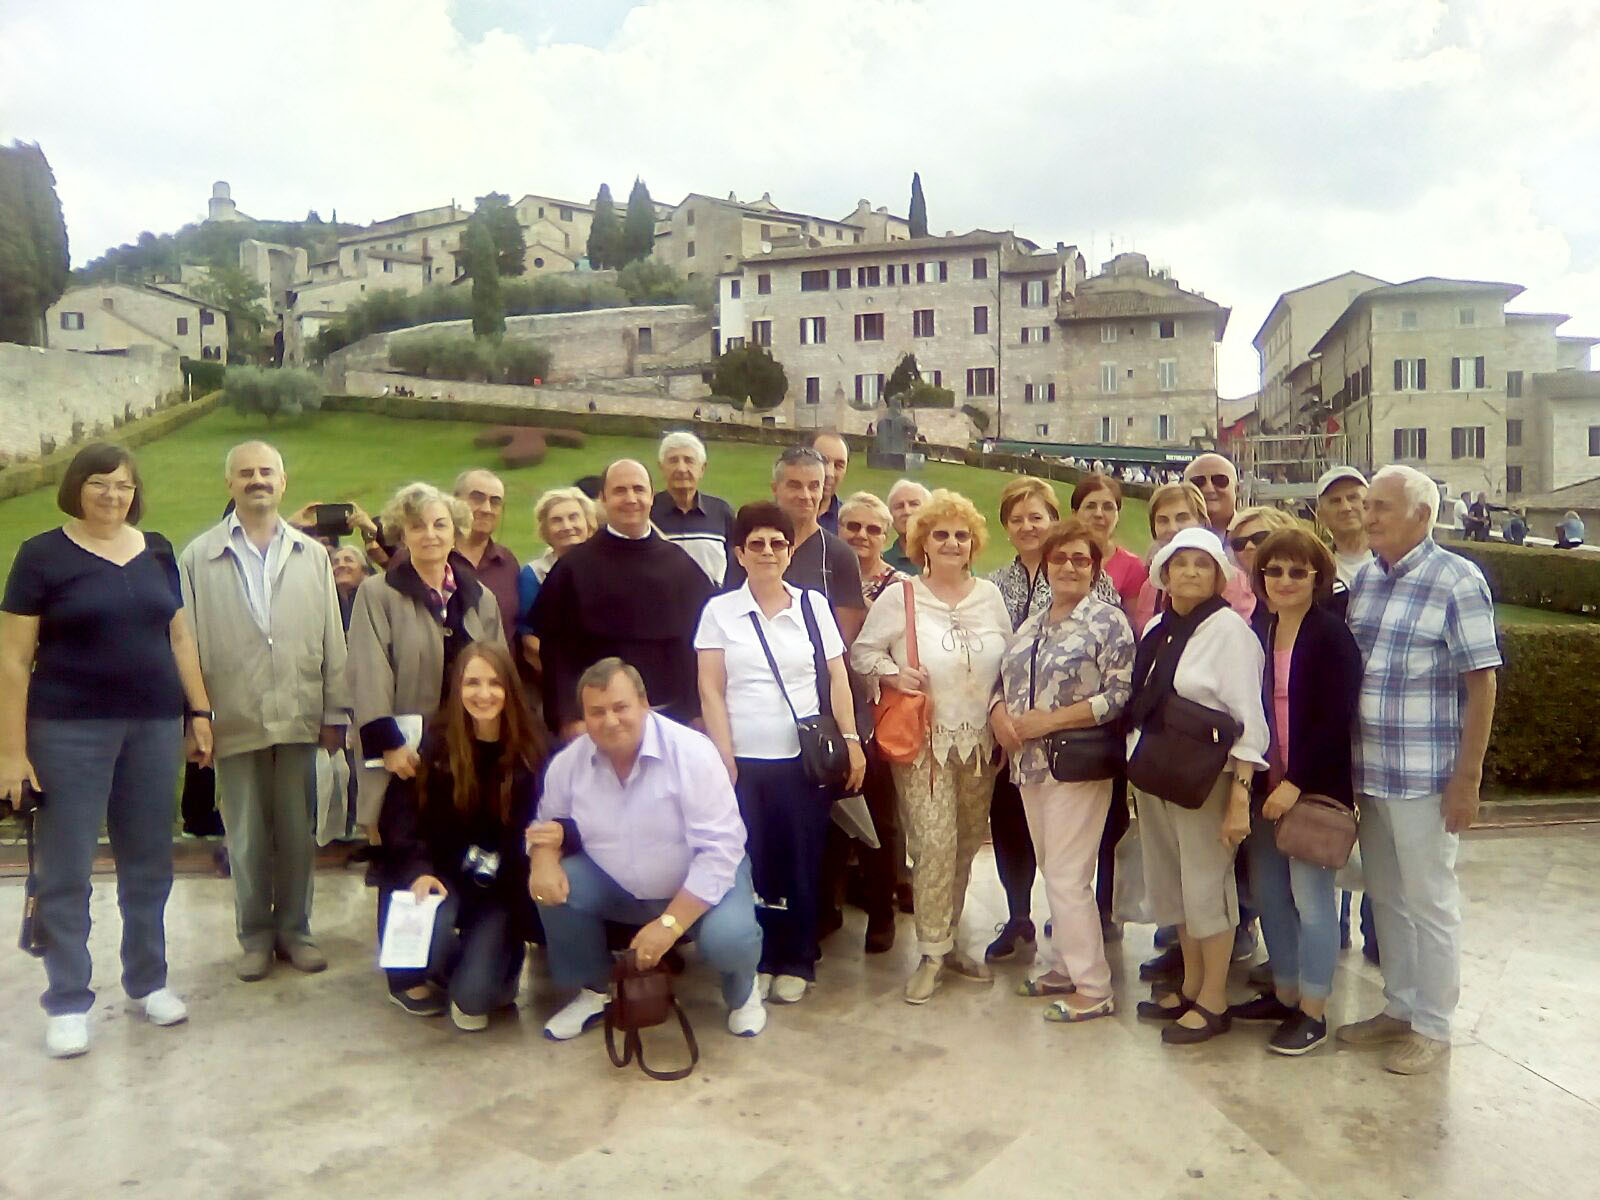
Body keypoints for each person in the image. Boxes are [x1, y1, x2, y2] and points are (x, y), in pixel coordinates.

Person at [0, 444, 214, 1058]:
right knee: (65, 869)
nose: (112, 495)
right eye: (99, 484)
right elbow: (14, 660)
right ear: (76, 488)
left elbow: (178, 635)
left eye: (122, 485)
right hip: (67, 731)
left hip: (150, 727)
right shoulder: (41, 556)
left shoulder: (158, 551)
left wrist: (199, 710)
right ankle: (68, 999)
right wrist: (12, 754)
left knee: (149, 861)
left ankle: (148, 983)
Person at [1338, 465, 1500, 1075]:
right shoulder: (1369, 581)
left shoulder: (1458, 580)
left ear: (1422, 515)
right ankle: (1399, 1007)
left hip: (1426, 774)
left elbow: (1481, 683)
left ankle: (1433, 1026)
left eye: (1381, 506)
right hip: (1371, 769)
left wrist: (1468, 777)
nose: (1368, 515)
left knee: (1430, 899)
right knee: (1387, 896)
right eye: (1367, 505)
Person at [178, 441, 349, 981]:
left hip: (299, 710)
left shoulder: (313, 554)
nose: (257, 480)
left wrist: (334, 712)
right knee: (247, 833)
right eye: (245, 473)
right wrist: (196, 715)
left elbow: (332, 637)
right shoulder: (198, 557)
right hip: (234, 715)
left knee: (298, 830)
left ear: (283, 481)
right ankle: (253, 935)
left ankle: (296, 930)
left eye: (266, 472)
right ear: (229, 483)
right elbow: (185, 645)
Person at [530, 659, 767, 1040]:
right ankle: (595, 990)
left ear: (644, 703)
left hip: (700, 881)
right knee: (557, 888)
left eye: (620, 707)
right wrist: (541, 860)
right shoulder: (568, 763)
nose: (610, 721)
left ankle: (743, 993)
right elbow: (548, 822)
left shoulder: (693, 753)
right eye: (597, 712)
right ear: (584, 717)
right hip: (618, 884)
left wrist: (670, 924)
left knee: (731, 938)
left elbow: (720, 851)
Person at [696, 503, 866, 1003]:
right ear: (739, 553)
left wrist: (853, 741)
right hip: (743, 760)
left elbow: (836, 678)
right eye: (757, 544)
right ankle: (761, 956)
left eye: (777, 543)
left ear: (790, 551)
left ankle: (798, 957)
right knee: (754, 859)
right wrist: (723, 756)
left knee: (801, 857)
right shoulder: (719, 612)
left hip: (801, 758)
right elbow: (710, 688)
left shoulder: (812, 605)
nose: (768, 552)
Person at [852, 490, 1012, 1003]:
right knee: (933, 843)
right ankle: (929, 952)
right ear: (922, 541)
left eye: (960, 535)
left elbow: (1010, 664)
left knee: (966, 842)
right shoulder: (901, 596)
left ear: (973, 544)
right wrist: (894, 674)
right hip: (925, 744)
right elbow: (861, 654)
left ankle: (951, 941)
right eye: (940, 534)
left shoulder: (989, 596)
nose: (951, 542)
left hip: (979, 743)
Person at [1128, 527, 1268, 1045]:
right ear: (1165, 574)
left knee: (1208, 887)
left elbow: (1248, 717)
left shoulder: (1230, 633)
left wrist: (1239, 798)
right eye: (1180, 563)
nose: (1190, 572)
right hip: (1157, 772)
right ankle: (1190, 983)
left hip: (1206, 779)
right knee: (1175, 884)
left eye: (1201, 564)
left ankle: (1213, 998)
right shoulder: (1160, 628)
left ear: (1218, 576)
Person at [992, 518, 1134, 1022]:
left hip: (1077, 764)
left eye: (1081, 559)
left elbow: (1118, 696)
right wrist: (1001, 718)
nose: (1069, 567)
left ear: (1095, 568)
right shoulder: (1032, 622)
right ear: (1047, 564)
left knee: (1070, 876)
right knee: (1054, 871)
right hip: (1028, 766)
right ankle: (1059, 966)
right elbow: (1003, 679)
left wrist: (1047, 721)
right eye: (1060, 558)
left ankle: (1093, 985)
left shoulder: (1108, 621)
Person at [1226, 528, 1361, 1056]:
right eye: (1273, 571)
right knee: (1270, 895)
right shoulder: (1260, 629)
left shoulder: (1331, 636)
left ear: (1316, 577)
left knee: (1311, 898)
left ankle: (1313, 1010)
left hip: (1311, 789)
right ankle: (1284, 992)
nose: (1283, 581)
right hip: (1263, 786)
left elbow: (1334, 719)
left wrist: (1296, 783)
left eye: (1296, 572)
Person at [379, 642, 544, 1030]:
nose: (483, 694)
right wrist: (418, 871)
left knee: (472, 1008)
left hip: (499, 894)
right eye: (472, 683)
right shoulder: (432, 744)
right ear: (457, 689)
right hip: (443, 879)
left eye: (494, 683)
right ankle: (441, 964)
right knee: (430, 932)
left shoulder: (535, 749)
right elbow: (400, 820)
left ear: (510, 689)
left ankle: (493, 965)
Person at [348, 482, 506, 837]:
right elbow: (368, 671)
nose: (430, 534)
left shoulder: (481, 598)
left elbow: (499, 674)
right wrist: (388, 742)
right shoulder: (378, 594)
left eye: (440, 525)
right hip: (404, 757)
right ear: (403, 535)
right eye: (417, 526)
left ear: (456, 532)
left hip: (468, 753)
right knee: (405, 866)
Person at [532, 460, 714, 739]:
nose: (631, 499)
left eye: (639, 490)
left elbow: (699, 647)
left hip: (673, 721)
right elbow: (557, 653)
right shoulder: (575, 568)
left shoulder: (681, 566)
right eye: (619, 491)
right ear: (603, 499)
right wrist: (569, 717)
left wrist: (698, 711)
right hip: (600, 723)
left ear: (652, 497)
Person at [985, 476, 1072, 962]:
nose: (1027, 526)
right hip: (1009, 728)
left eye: (1036, 516)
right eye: (1016, 519)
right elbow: (988, 657)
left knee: (1065, 834)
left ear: (1054, 520)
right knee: (1009, 823)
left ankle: (1077, 918)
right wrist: (997, 711)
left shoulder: (1081, 571)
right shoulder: (995, 583)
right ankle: (1018, 917)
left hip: (1063, 727)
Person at [832, 489, 909, 949]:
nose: (862, 536)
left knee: (880, 814)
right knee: (833, 812)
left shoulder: (898, 585)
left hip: (877, 709)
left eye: (873, 528)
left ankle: (883, 912)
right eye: (852, 526)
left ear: (887, 535)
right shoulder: (824, 575)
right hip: (829, 707)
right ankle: (832, 903)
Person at [724, 447, 868, 641]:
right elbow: (729, 616)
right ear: (775, 488)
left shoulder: (839, 555)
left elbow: (844, 639)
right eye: (795, 486)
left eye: (814, 486)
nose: (805, 496)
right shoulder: (752, 549)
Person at [514, 487, 599, 669]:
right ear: (545, 530)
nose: (567, 526)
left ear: (588, 523)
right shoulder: (534, 574)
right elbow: (528, 636)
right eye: (557, 520)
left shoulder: (609, 566)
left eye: (573, 517)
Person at [651, 431, 736, 586]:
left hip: (711, 606)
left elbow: (737, 565)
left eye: (689, 461)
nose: (681, 468)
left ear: (702, 468)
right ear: (661, 467)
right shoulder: (648, 513)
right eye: (673, 460)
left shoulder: (721, 512)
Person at [1130, 480, 1208, 634]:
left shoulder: (1226, 579)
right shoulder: (1150, 587)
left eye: (1182, 518)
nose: (1172, 528)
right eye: (1163, 520)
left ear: (1202, 522)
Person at [453, 469, 520, 636]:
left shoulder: (507, 562)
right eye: (477, 498)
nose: (487, 509)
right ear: (454, 501)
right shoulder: (430, 557)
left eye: (495, 502)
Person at [1070, 473, 1148, 614]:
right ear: (1074, 513)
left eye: (1108, 507)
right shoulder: (1059, 560)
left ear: (1118, 515)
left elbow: (1133, 626)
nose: (1099, 514)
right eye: (1090, 506)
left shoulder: (1132, 567)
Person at [1225, 507, 1299, 620]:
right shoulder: (1231, 599)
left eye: (1259, 538)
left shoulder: (1305, 589)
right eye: (1239, 543)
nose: (1249, 546)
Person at [1314, 467, 1374, 587]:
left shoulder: (1394, 558)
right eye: (1335, 501)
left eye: (1353, 497)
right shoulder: (1315, 570)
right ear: (1321, 516)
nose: (1346, 507)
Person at [1183, 453, 1239, 536]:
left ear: (1237, 489)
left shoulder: (1255, 536)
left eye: (1219, 480)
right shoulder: (1171, 536)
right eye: (1198, 482)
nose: (1209, 489)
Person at [885, 479, 930, 575]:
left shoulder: (946, 557)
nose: (907, 511)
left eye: (914, 504)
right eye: (899, 506)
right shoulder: (883, 563)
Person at [811, 430, 850, 534]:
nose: (829, 473)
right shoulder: (779, 517)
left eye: (838, 465)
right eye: (822, 461)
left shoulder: (850, 523)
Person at [331, 545, 371, 632]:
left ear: (364, 571)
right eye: (335, 562)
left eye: (348, 560)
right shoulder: (328, 603)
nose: (340, 565)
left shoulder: (373, 600)